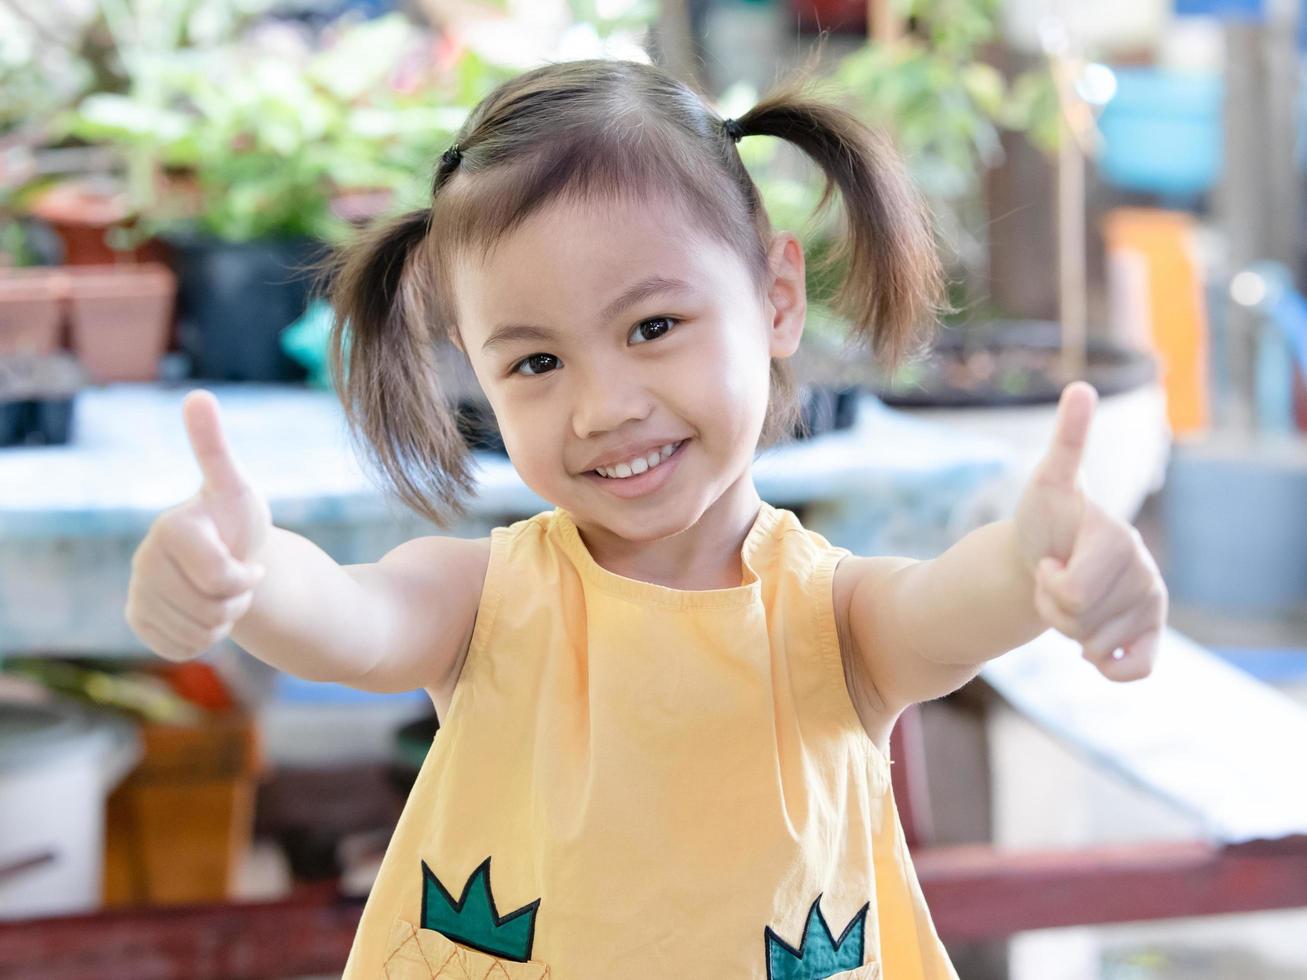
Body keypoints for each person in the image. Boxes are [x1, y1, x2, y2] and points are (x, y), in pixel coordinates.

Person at [125, 57, 1167, 979]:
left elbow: (950, 602)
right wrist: (247, 568)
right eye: (535, 360)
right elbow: (347, 619)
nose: (603, 405)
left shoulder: (831, 620)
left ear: (774, 296)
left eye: (653, 325)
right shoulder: (481, 598)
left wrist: (1037, 558)